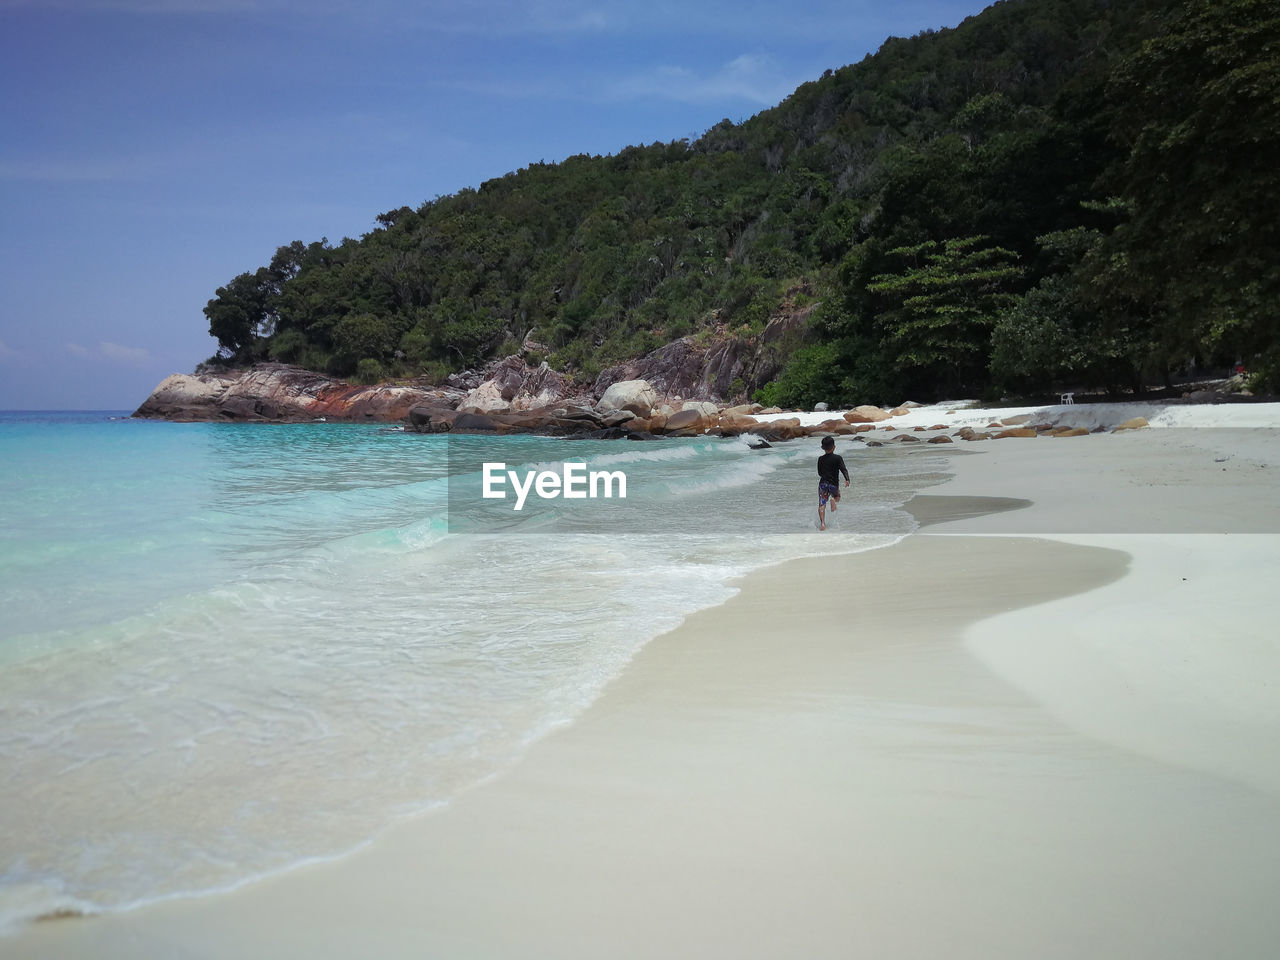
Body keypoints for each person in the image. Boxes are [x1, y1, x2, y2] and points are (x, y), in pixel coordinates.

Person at [816, 435, 850, 531]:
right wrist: (847, 479)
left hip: (823, 483)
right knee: (837, 497)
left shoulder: (820, 459)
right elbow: (843, 469)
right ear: (833, 447)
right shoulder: (838, 458)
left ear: (823, 448)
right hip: (834, 484)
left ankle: (822, 524)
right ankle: (833, 500)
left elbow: (819, 473)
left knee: (822, 503)